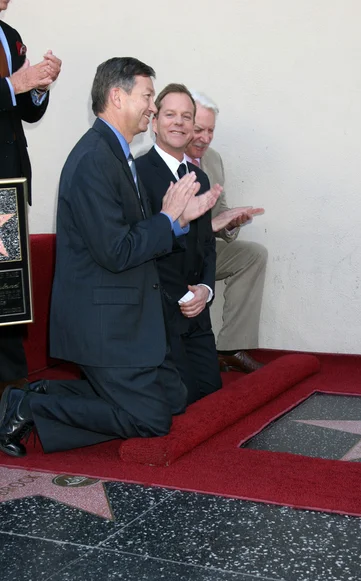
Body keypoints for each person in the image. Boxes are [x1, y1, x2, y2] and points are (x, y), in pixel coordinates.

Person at [0, 58, 219, 458]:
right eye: (148, 97)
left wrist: (176, 222)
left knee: (175, 397)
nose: (152, 107)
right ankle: (28, 406)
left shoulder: (116, 152)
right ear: (117, 96)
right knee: (153, 420)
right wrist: (167, 220)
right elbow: (116, 251)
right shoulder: (94, 159)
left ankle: (42, 391)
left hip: (129, 317)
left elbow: (131, 237)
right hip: (104, 323)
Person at [136, 84, 223, 405]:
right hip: (162, 313)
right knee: (182, 402)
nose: (179, 123)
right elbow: (143, 247)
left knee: (213, 397)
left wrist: (205, 290)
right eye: (170, 114)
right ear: (155, 120)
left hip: (197, 312)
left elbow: (206, 247)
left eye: (187, 117)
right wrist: (185, 295)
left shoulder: (199, 178)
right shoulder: (138, 174)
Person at [0, 0, 61, 394]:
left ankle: (10, 385)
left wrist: (37, 88)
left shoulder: (10, 35)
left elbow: (26, 112)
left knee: (6, 286)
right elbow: (9, 91)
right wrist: (11, 85)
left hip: (7, 183)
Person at [185, 90, 268, 373]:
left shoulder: (214, 159)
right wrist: (213, 225)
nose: (205, 138)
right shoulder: (155, 162)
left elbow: (219, 210)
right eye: (199, 129)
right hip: (172, 252)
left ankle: (230, 348)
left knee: (253, 254)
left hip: (205, 247)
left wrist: (232, 221)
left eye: (211, 131)